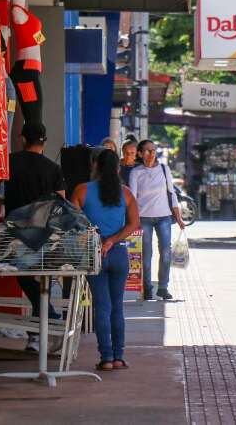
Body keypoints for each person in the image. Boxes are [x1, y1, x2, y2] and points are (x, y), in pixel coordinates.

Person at [71, 149, 140, 371]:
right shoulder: (127, 194)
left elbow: (73, 222)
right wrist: (112, 240)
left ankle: (106, 358)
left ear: (95, 166)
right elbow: (133, 224)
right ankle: (119, 356)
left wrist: (97, 239)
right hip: (119, 253)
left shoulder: (82, 190)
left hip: (94, 254)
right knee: (117, 306)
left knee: (102, 306)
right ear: (117, 168)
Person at [4, 122, 65, 351]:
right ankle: (46, 324)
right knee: (42, 282)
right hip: (43, 236)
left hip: (13, 235)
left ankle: (38, 333)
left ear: (22, 139)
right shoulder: (53, 168)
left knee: (26, 278)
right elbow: (61, 202)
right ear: (44, 142)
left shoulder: (9, 162)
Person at [129, 140, 186, 301]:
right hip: (143, 218)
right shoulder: (136, 172)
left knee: (166, 252)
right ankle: (147, 288)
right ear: (140, 154)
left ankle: (163, 287)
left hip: (164, 216)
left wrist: (178, 217)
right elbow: (132, 198)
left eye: (153, 150)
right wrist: (131, 220)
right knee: (146, 254)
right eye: (147, 151)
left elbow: (172, 193)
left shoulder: (164, 168)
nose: (151, 153)